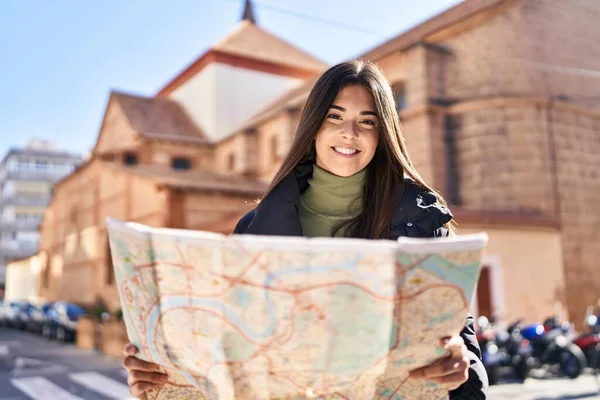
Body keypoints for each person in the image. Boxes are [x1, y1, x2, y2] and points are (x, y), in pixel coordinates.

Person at [123, 60, 488, 399]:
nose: (349, 133)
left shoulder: (422, 221)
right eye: (334, 116)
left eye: (367, 121)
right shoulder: (254, 229)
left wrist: (462, 368)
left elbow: (465, 352)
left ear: (383, 133)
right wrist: (162, 379)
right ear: (313, 125)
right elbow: (227, 357)